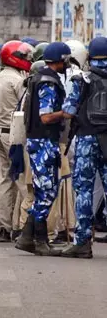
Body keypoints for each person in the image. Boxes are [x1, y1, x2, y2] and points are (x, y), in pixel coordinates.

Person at [15, 42, 71, 257]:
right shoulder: (48, 82)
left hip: (40, 142)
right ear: (61, 59)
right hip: (43, 143)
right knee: (46, 192)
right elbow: (46, 116)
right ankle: (38, 240)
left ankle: (27, 237)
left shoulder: (39, 77)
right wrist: (66, 112)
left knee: (45, 191)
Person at [60, 37, 107, 258]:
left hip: (87, 139)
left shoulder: (83, 79)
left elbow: (68, 110)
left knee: (84, 190)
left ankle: (82, 242)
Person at [0, 41, 31, 242]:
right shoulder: (17, 81)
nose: (26, 61)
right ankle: (22, 225)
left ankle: (3, 224)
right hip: (13, 134)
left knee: (4, 179)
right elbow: (25, 107)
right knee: (22, 179)